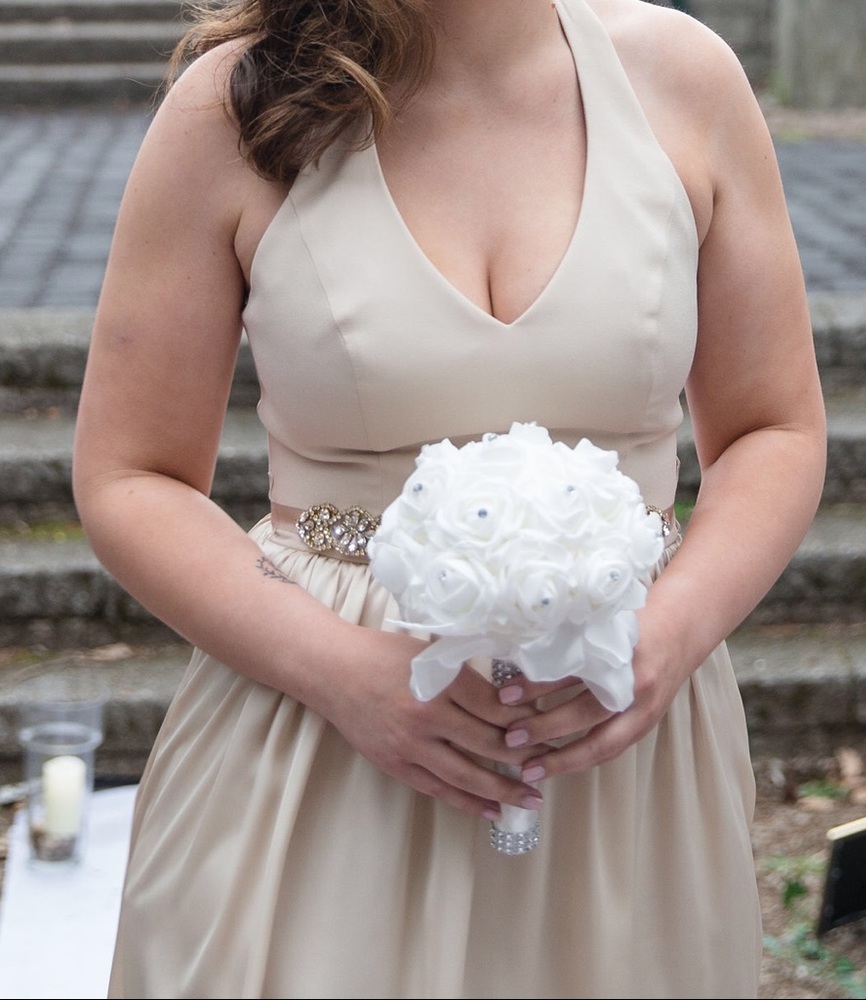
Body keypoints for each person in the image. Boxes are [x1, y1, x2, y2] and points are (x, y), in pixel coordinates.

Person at [72, 0, 827, 996]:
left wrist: (670, 635)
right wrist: (350, 676)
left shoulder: (686, 80)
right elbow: (130, 474)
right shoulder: (235, 107)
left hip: (617, 755)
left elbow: (774, 428)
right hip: (317, 745)